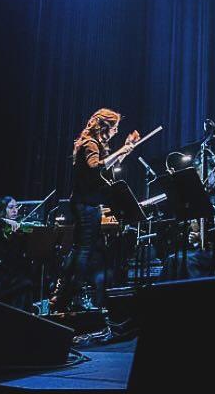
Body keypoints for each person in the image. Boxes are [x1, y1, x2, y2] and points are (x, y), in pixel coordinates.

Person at [51, 108, 139, 311]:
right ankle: (76, 293)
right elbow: (94, 167)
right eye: (115, 128)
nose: (116, 132)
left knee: (78, 248)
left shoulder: (93, 143)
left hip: (84, 202)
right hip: (86, 204)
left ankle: (62, 292)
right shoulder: (90, 144)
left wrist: (125, 151)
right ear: (105, 127)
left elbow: (104, 171)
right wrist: (120, 152)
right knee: (84, 250)